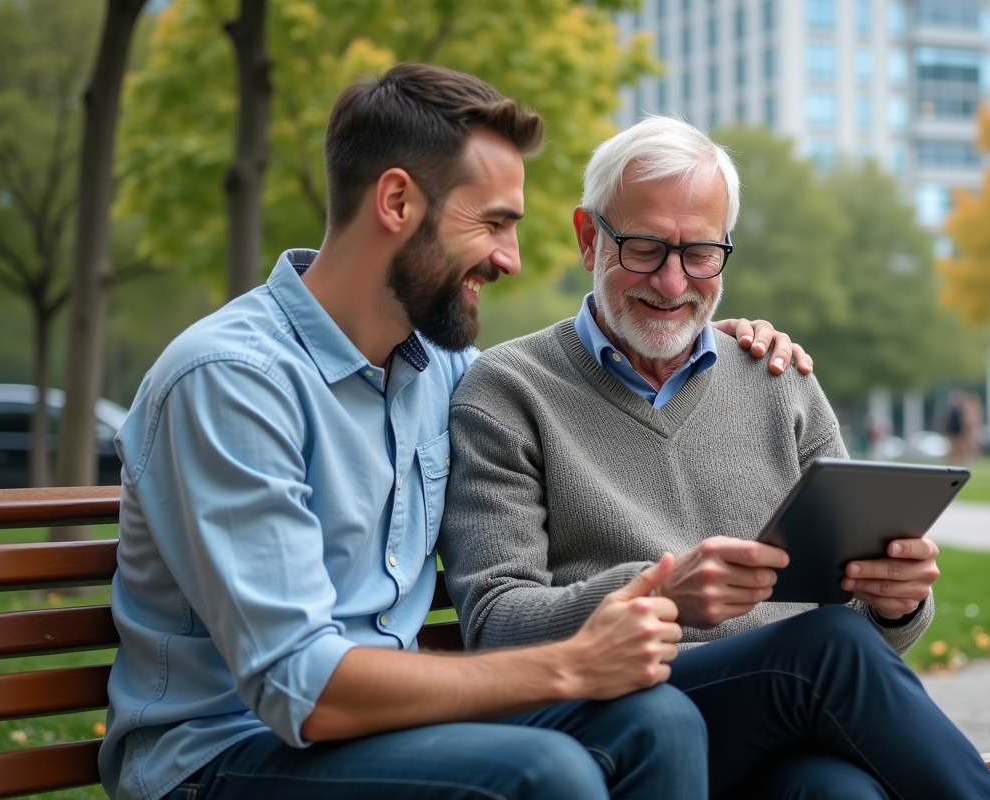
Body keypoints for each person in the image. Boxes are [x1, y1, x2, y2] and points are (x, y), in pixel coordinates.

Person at [99, 65, 812, 800]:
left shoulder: (439, 370)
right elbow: (301, 690)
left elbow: (582, 375)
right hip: (222, 758)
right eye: (493, 223)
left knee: (656, 722)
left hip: (386, 738)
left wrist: (702, 334)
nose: (510, 258)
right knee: (547, 774)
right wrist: (568, 666)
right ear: (398, 201)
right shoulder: (229, 381)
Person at [439, 117, 990, 800]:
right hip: (624, 720)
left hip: (774, 725)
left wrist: (896, 604)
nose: (675, 282)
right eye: (646, 248)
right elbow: (496, 626)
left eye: (701, 253)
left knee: (842, 794)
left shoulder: (780, 378)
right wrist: (662, 596)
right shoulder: (507, 391)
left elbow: (872, 646)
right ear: (589, 237)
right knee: (823, 649)